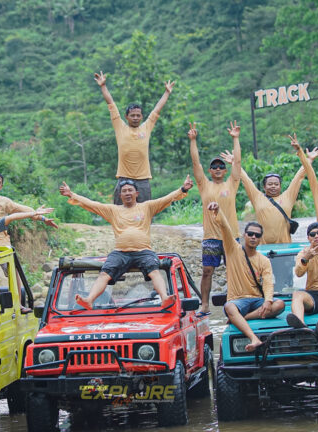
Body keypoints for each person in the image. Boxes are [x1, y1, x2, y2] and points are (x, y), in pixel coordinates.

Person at [59, 175, 193, 309]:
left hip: (143, 251)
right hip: (120, 252)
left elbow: (167, 199)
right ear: (120, 195)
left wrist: (183, 189)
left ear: (137, 193)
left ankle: (164, 298)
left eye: (130, 190)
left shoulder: (147, 207)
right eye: (124, 191)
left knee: (154, 270)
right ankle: (89, 300)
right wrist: (71, 194)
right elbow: (91, 204)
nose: (127, 193)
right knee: (105, 273)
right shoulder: (113, 210)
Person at [208, 202, 284, 352]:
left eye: (257, 235)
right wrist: (218, 211)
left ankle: (243, 318)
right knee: (229, 306)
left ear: (261, 238)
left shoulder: (264, 260)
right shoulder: (232, 250)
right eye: (250, 234)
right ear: (244, 235)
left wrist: (268, 301)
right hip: (238, 301)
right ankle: (253, 338)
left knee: (280, 304)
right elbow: (225, 228)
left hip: (257, 301)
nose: (253, 237)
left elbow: (268, 282)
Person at [94, 71, 175, 205]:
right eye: (133, 115)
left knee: (145, 211)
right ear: (127, 117)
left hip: (143, 180)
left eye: (138, 115)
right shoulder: (120, 127)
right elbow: (111, 104)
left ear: (142, 117)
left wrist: (167, 92)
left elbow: (157, 109)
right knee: (120, 212)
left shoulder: (146, 127)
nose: (136, 118)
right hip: (124, 179)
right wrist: (103, 86)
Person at [187, 120, 242, 316]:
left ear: (225, 170)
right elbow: (196, 163)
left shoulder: (232, 183)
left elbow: (238, 162)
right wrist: (193, 141)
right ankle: (204, 305)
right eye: (214, 167)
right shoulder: (204, 185)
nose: (218, 168)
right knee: (207, 271)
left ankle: (236, 303)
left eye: (221, 166)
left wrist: (235, 139)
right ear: (210, 171)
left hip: (231, 236)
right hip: (211, 236)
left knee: (234, 271)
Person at [220, 145, 318, 244]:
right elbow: (245, 179)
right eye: (270, 184)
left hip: (285, 245)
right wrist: (234, 163)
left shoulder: (288, 197)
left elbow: (298, 177)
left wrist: (309, 160)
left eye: (276, 184)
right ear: (264, 187)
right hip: (263, 246)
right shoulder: (257, 197)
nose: (273, 186)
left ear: (280, 186)